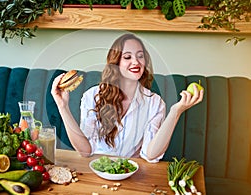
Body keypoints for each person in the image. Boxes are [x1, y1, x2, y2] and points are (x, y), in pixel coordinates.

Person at [51, 33, 204, 162]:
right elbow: (85, 150)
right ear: (116, 62)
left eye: (140, 56)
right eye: (127, 57)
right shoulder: (92, 96)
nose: (136, 62)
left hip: (131, 173)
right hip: (96, 169)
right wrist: (63, 107)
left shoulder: (154, 102)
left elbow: (151, 154)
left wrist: (175, 112)